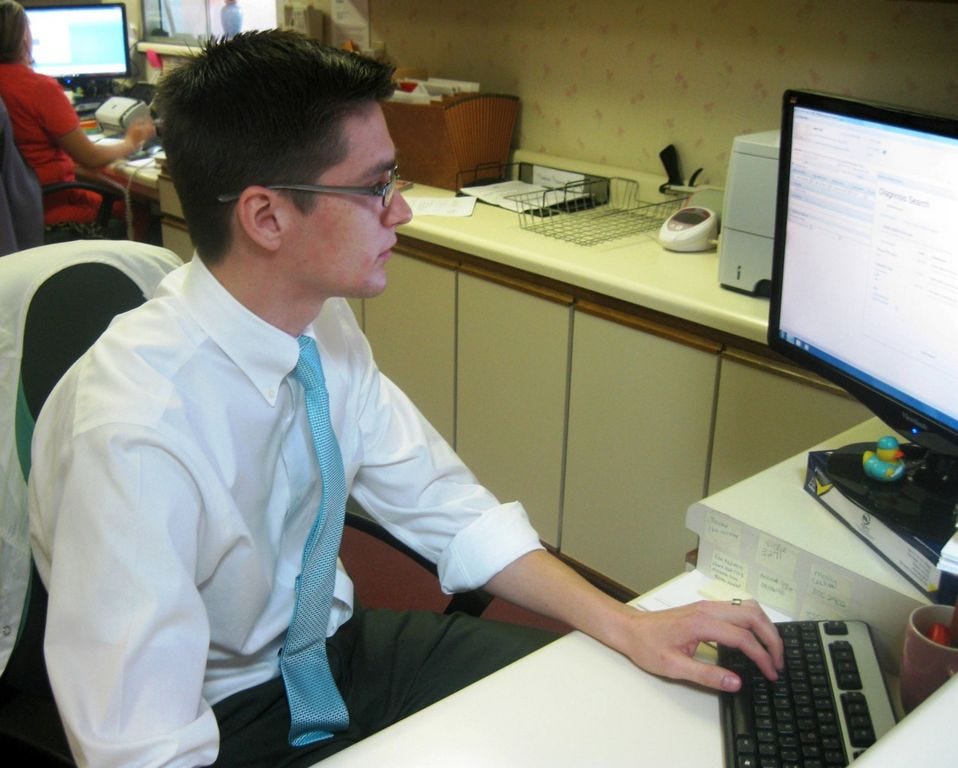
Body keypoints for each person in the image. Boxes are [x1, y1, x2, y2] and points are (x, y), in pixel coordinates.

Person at [27, 30, 784, 768]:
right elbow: (142, 750)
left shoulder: (316, 320)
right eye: (373, 189)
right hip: (222, 714)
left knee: (599, 692)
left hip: (337, 654)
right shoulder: (133, 434)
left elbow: (446, 505)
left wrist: (629, 625)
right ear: (265, 217)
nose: (402, 213)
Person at [0, 0, 155, 227]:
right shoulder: (39, 88)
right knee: (139, 210)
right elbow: (89, 157)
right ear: (24, 38)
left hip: (17, 209)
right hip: (53, 206)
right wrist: (131, 141)